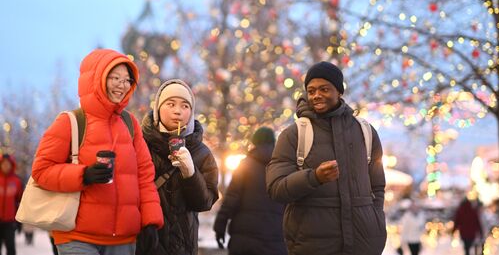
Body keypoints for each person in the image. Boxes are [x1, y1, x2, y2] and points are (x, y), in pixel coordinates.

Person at [31, 48, 164, 255]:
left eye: (127, 80)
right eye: (115, 78)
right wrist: (83, 175)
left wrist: (150, 222)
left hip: (123, 239)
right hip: (77, 236)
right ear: (97, 79)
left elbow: (144, 177)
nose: (122, 85)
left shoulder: (131, 124)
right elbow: (41, 171)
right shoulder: (71, 122)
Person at [266, 61, 387, 255]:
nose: (316, 95)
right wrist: (314, 177)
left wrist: (375, 217)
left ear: (339, 92)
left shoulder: (365, 131)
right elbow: (276, 189)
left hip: (364, 245)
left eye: (324, 89)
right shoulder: (294, 134)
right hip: (313, 246)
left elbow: (377, 186)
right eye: (311, 90)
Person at [136, 79, 219, 255]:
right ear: (158, 107)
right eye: (170, 104)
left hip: (183, 245)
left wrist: (190, 172)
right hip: (146, 242)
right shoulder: (140, 144)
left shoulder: (202, 153)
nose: (177, 111)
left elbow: (204, 202)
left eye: (185, 106)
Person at [213, 127, 287, 255]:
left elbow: (231, 199)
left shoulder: (245, 165)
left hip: (244, 240)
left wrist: (220, 226)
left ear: (254, 142)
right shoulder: (281, 167)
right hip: (275, 239)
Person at [0, 154, 23, 255]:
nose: (5, 166)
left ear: (11, 165)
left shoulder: (17, 181)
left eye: (8, 164)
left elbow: (20, 202)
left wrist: (19, 221)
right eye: (3, 164)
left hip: (10, 222)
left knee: (11, 249)